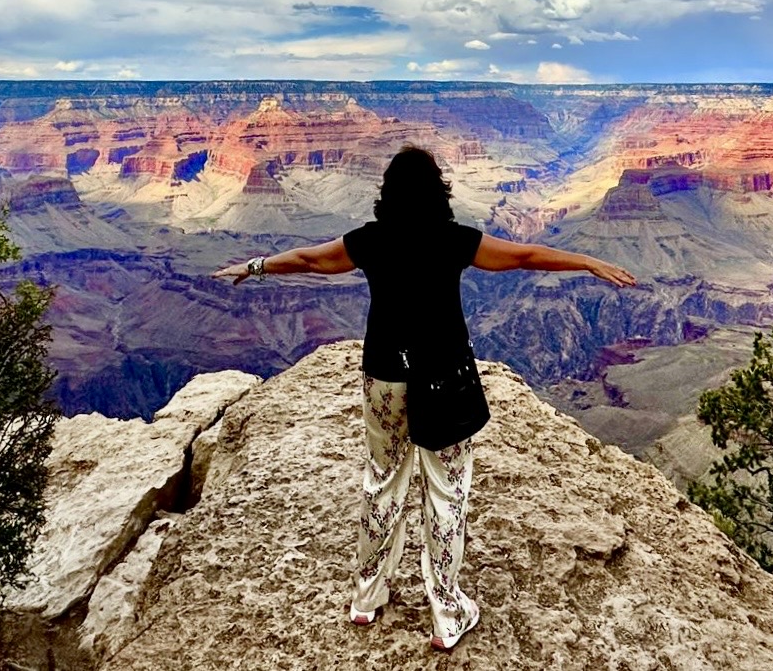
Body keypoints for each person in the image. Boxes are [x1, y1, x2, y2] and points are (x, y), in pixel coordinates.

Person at [212, 145, 637, 652]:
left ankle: (367, 598)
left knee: (383, 481)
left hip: (385, 379)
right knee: (447, 492)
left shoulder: (369, 241)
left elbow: (309, 259)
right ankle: (446, 614)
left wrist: (255, 266)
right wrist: (587, 261)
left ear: (386, 194)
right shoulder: (454, 240)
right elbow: (525, 256)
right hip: (443, 382)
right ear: (440, 192)